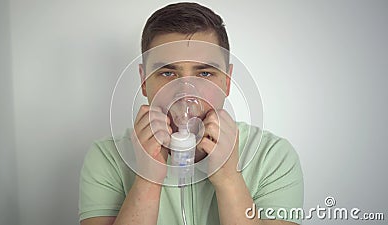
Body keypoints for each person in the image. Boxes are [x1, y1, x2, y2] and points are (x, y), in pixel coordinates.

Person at [79, 2, 303, 225]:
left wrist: (229, 179)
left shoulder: (271, 157)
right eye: (167, 73)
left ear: (226, 81)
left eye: (204, 73)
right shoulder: (108, 158)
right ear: (144, 81)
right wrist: (148, 180)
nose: (185, 93)